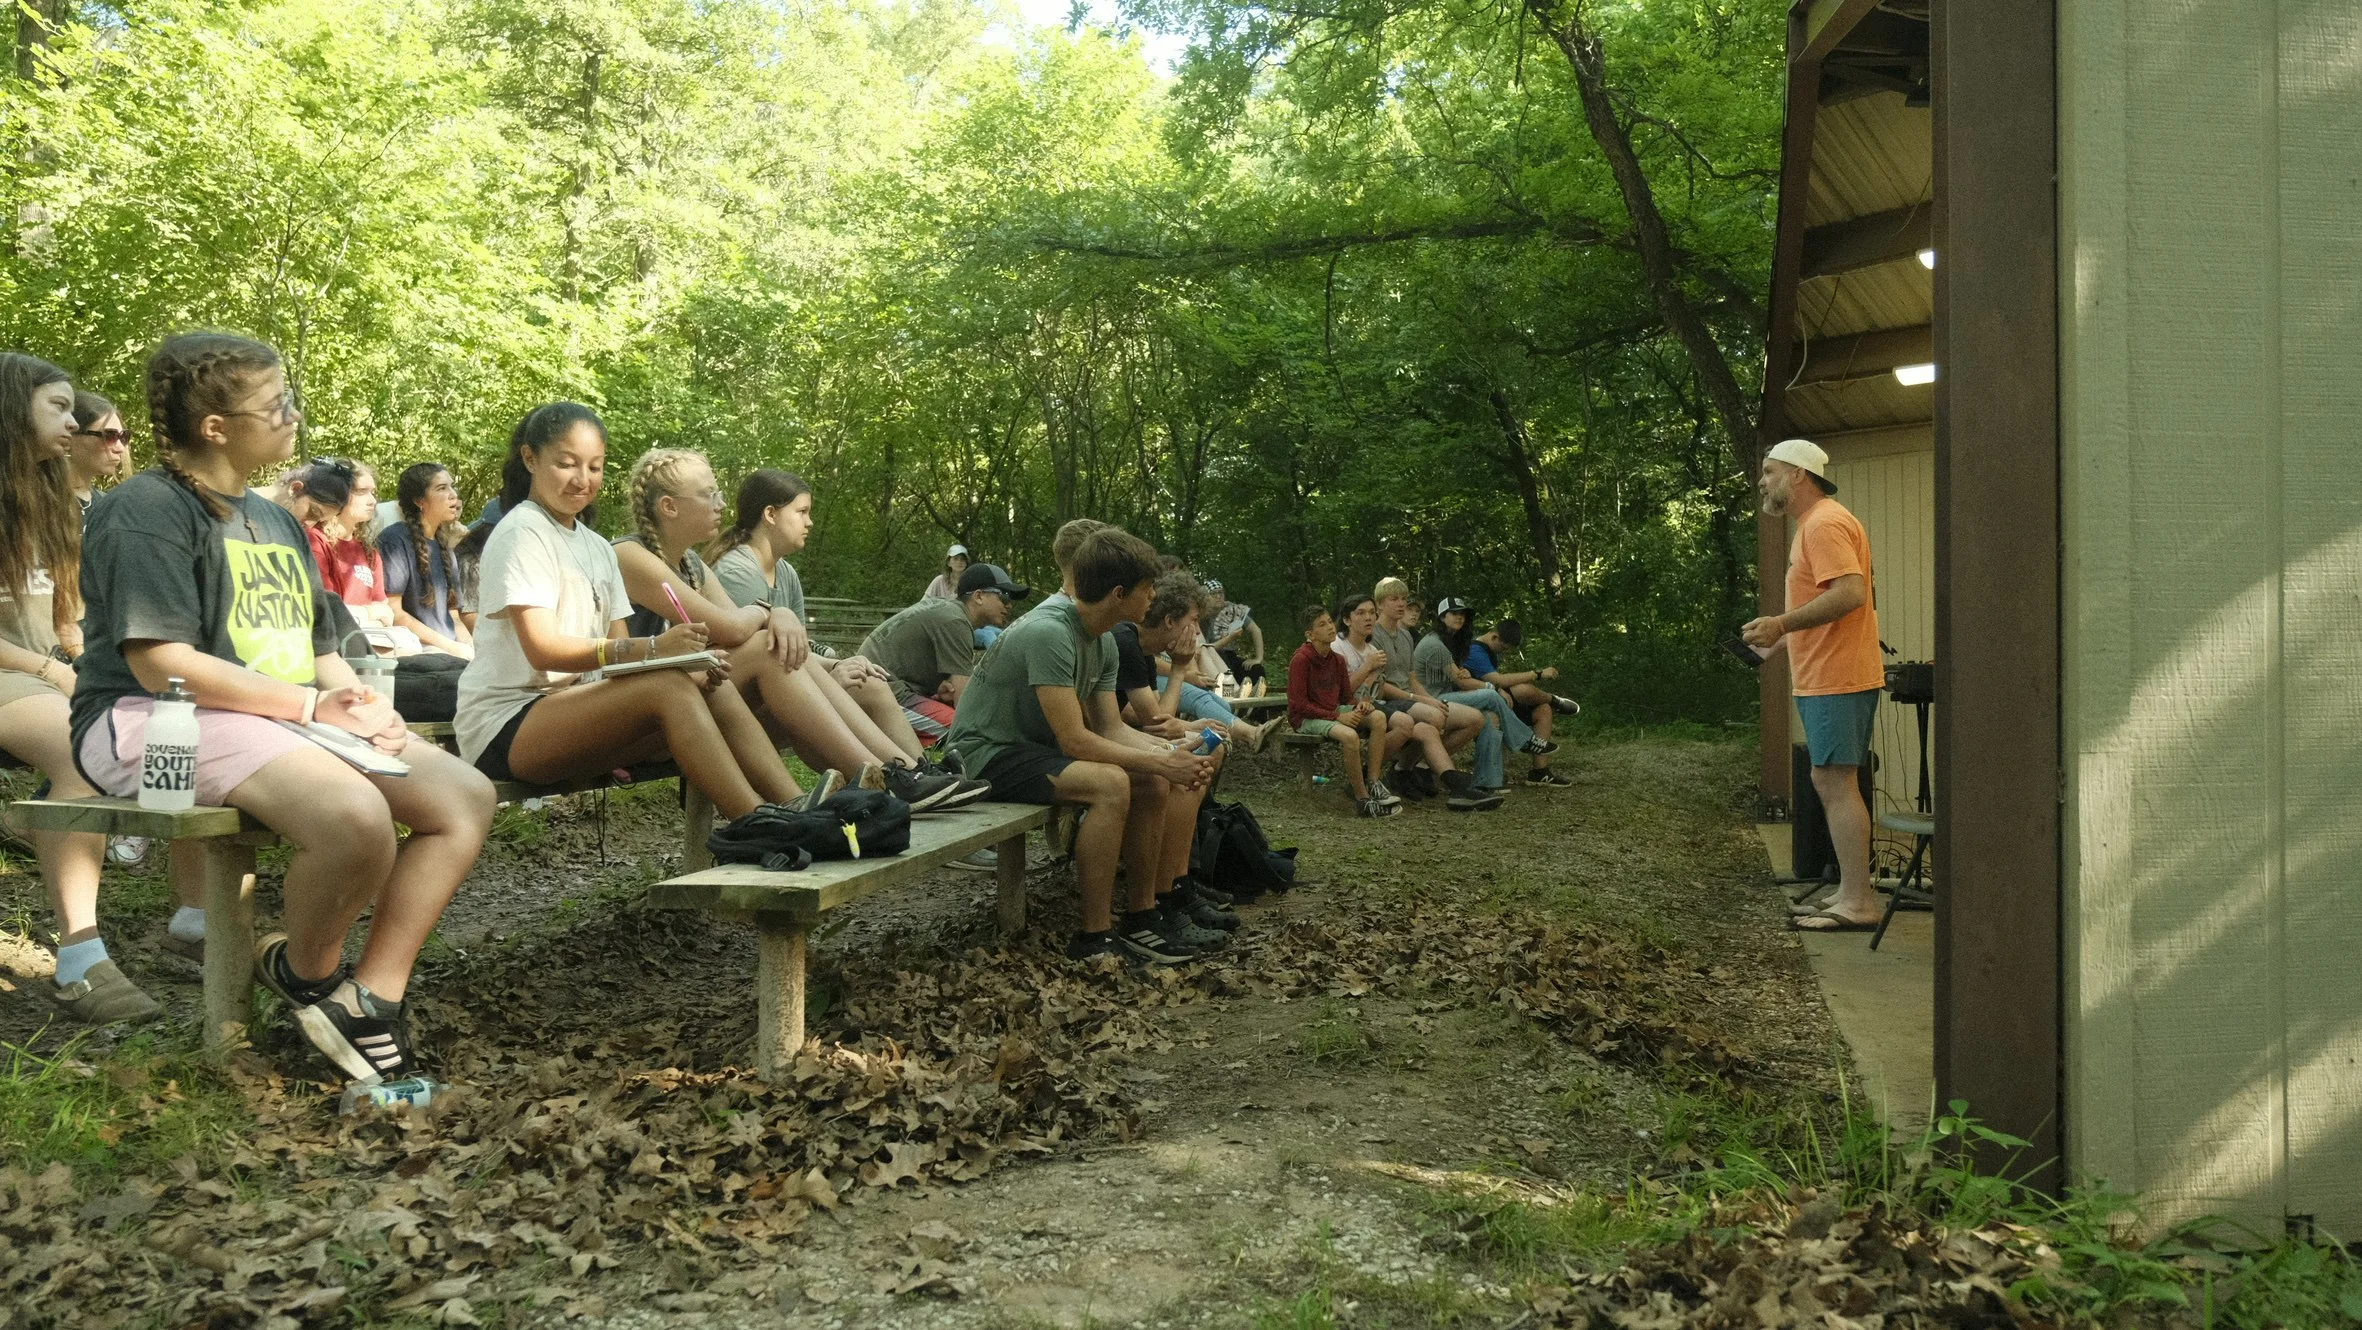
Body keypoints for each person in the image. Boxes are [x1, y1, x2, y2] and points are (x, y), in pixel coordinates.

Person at [75, 332, 496, 1085]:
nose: (292, 416)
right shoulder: (144, 509)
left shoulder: (274, 522)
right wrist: (311, 705)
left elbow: (317, 642)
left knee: (463, 795)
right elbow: (158, 660)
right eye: (275, 404)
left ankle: (367, 999)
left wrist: (360, 703)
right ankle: (313, 978)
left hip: (277, 716)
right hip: (149, 718)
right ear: (214, 426)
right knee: (355, 820)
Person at [454, 404, 808, 828]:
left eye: (595, 466)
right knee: (670, 688)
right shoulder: (520, 533)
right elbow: (543, 649)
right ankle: (755, 824)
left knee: (712, 682)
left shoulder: (597, 546)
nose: (582, 479)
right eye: (566, 464)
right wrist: (658, 649)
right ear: (531, 459)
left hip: (575, 710)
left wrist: (684, 662)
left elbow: (619, 662)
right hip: (508, 724)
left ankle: (798, 808)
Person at [614, 450, 982, 812]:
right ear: (669, 506)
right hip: (653, 716)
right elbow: (731, 628)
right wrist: (772, 612)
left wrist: (811, 645)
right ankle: (885, 778)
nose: (721, 503)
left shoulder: (692, 563)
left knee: (860, 680)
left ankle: (907, 772)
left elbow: (753, 629)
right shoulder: (632, 555)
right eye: (709, 494)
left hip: (704, 697)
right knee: (769, 649)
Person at [945, 528, 1220, 965]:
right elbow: (1075, 739)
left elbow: (1110, 728)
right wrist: (1163, 761)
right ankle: (1095, 938)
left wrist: (1169, 758)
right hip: (984, 755)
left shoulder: (1104, 639)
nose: (1153, 599)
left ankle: (1143, 918)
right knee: (1110, 783)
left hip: (1033, 749)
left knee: (1152, 780)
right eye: (1147, 590)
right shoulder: (1050, 632)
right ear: (1118, 594)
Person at [0, 354, 153, 1022]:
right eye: (58, 407)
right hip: (14, 674)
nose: (76, 421)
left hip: (40, 672)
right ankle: (82, 962)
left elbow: (68, 619)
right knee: (81, 752)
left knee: (153, 721)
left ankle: (194, 922)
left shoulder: (55, 499)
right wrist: (49, 671)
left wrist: (98, 666)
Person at [708, 468, 962, 779]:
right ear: (771, 514)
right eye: (802, 512)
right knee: (842, 686)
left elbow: (801, 645)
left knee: (871, 683)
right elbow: (771, 652)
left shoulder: (785, 571)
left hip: (783, 684)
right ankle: (896, 779)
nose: (809, 522)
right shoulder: (738, 571)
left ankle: (921, 773)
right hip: (742, 700)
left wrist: (840, 663)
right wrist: (831, 672)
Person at [1743, 437, 1884, 933]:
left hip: (1837, 677)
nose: (1763, 481)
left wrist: (1781, 624)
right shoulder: (1817, 525)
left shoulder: (1823, 524)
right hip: (1827, 675)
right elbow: (1825, 604)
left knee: (1834, 782)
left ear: (1798, 474)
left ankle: (1859, 902)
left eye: (1769, 470)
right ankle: (1850, 893)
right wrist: (1775, 640)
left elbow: (1850, 594)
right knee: (1831, 781)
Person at [283, 457, 469, 721]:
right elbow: (330, 612)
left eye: (373, 492)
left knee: (457, 671)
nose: (372, 500)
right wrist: (370, 613)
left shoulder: (367, 549)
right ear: (339, 497)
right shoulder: (318, 542)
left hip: (390, 648)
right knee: (450, 680)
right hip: (354, 659)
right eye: (361, 492)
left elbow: (386, 612)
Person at [856, 564, 1026, 742]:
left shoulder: (948, 611)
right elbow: (966, 706)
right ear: (979, 596)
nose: (1009, 605)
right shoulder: (955, 622)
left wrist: (936, 687)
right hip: (882, 695)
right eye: (1004, 596)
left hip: (883, 687)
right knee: (967, 733)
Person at [1420, 597, 1568, 789]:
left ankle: (1489, 782)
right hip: (1430, 699)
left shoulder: (1452, 643)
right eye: (1454, 613)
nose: (1460, 618)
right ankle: (1525, 740)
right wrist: (1495, 688)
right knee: (1492, 696)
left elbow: (1459, 676)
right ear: (1441, 617)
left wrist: (1463, 673)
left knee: (1491, 717)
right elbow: (1464, 683)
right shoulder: (1436, 643)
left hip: (1447, 697)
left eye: (1462, 614)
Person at [1369, 578, 1488, 800]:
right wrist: (1422, 700)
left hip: (1411, 699)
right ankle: (1431, 775)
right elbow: (1381, 686)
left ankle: (1411, 769)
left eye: (1403, 599)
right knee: (1432, 719)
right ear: (1379, 605)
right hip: (1388, 700)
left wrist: (1429, 699)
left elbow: (1412, 678)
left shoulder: (1405, 635)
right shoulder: (1374, 635)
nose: (1401, 604)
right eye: (1394, 599)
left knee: (1475, 719)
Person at [1286, 604, 1400, 818]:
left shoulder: (1337, 660)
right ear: (1310, 635)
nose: (1330, 627)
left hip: (1332, 710)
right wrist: (1338, 716)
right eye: (1322, 624)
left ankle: (1374, 782)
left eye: (1329, 621)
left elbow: (1346, 697)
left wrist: (1359, 705)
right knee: (1349, 736)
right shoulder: (1301, 660)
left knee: (1377, 717)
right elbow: (1298, 705)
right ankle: (1362, 799)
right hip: (1306, 718)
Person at [378, 462, 474, 660]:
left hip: (449, 651)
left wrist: (467, 645)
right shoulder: (395, 540)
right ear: (419, 501)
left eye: (451, 486)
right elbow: (394, 612)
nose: (453, 495)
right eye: (441, 488)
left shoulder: (444, 545)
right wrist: (450, 647)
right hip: (418, 651)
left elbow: (454, 614)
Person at [65, 389, 129, 526]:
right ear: (69, 437)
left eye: (123, 437)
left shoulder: (108, 508)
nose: (120, 448)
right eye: (109, 436)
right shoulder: (33, 501)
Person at [1200, 580, 1267, 696]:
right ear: (1206, 597)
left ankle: (1256, 706)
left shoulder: (1232, 609)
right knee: (1224, 660)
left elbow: (1256, 630)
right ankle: (1234, 696)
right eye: (1214, 594)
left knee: (1256, 669)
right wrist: (1230, 638)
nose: (1218, 596)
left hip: (1230, 655)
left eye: (1221, 593)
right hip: (1211, 657)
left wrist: (1258, 658)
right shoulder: (1202, 615)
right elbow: (1206, 648)